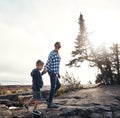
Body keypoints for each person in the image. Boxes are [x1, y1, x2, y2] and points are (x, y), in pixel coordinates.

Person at [42, 41, 61, 108]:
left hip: (55, 72)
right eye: (56, 46)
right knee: (53, 87)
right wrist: (45, 69)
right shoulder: (52, 53)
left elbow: (57, 65)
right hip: (51, 71)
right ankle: (49, 103)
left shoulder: (58, 54)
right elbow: (48, 62)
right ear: (54, 46)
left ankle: (48, 98)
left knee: (58, 85)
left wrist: (58, 73)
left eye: (58, 46)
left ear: (59, 47)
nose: (57, 47)